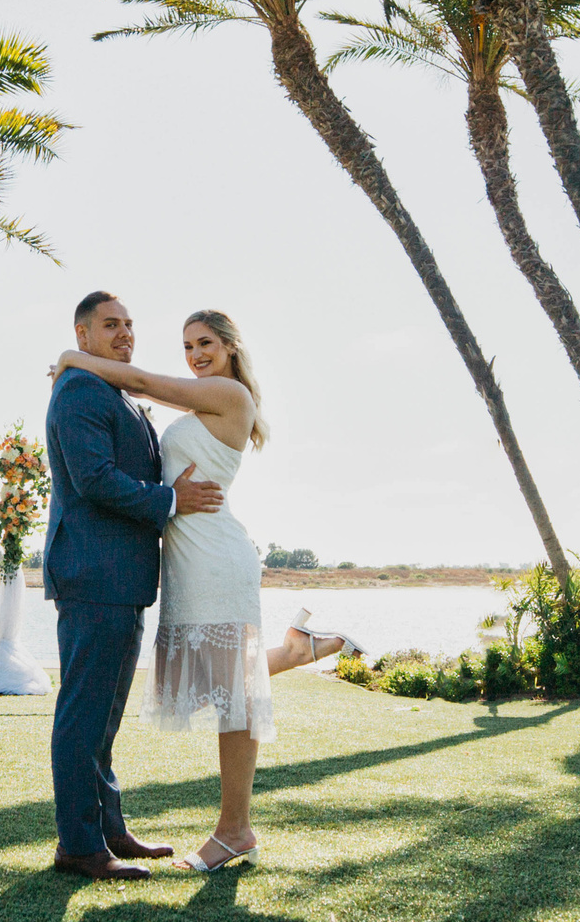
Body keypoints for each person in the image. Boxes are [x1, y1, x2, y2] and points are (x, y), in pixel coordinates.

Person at [52, 307, 359, 873]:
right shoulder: (200, 398)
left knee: (233, 696)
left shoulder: (229, 395)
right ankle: (294, 652)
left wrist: (75, 358)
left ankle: (234, 830)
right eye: (188, 346)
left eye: (205, 343)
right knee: (228, 683)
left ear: (230, 347)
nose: (195, 354)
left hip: (215, 558)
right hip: (186, 563)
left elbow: (141, 382)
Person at [41, 292, 222, 881]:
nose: (123, 334)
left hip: (122, 580)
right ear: (82, 334)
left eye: (129, 325)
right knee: (82, 715)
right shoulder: (79, 391)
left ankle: (109, 830)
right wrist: (173, 501)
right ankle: (79, 846)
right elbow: (95, 480)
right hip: (93, 577)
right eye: (110, 325)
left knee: (104, 718)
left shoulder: (110, 390)